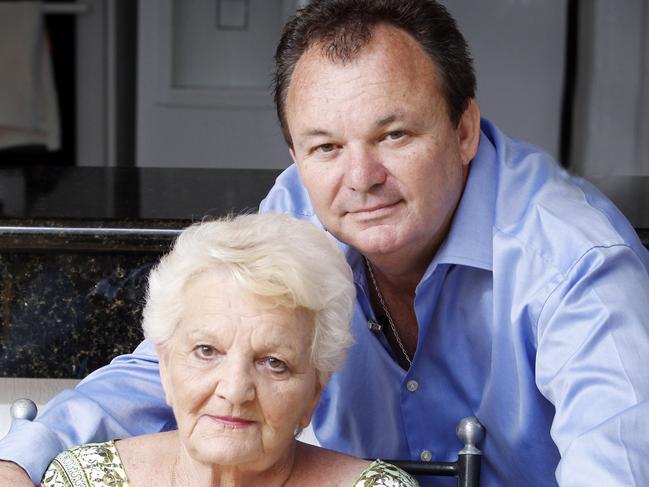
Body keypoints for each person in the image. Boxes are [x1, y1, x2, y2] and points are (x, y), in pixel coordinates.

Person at [1, 0, 648, 485]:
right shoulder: (298, 206)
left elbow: (615, 467)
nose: (360, 178)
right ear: (294, 152)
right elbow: (173, 363)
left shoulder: (576, 262)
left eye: (393, 135)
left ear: (464, 130)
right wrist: (23, 460)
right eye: (325, 146)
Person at [37, 214, 418, 486]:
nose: (235, 390)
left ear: (315, 392)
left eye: (274, 363)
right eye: (206, 350)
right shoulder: (83, 479)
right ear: (166, 369)